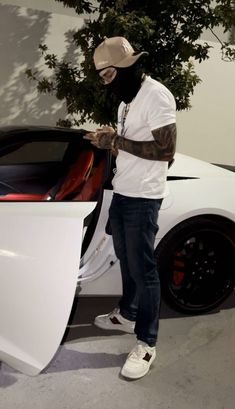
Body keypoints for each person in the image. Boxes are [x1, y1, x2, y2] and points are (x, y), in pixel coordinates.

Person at [84, 36, 176, 379]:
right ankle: (127, 313)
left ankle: (147, 343)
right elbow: (133, 146)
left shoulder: (156, 95)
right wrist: (109, 140)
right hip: (124, 192)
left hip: (144, 197)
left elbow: (166, 150)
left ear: (124, 69)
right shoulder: (127, 102)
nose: (107, 84)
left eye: (108, 76)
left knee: (144, 268)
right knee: (126, 257)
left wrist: (117, 141)